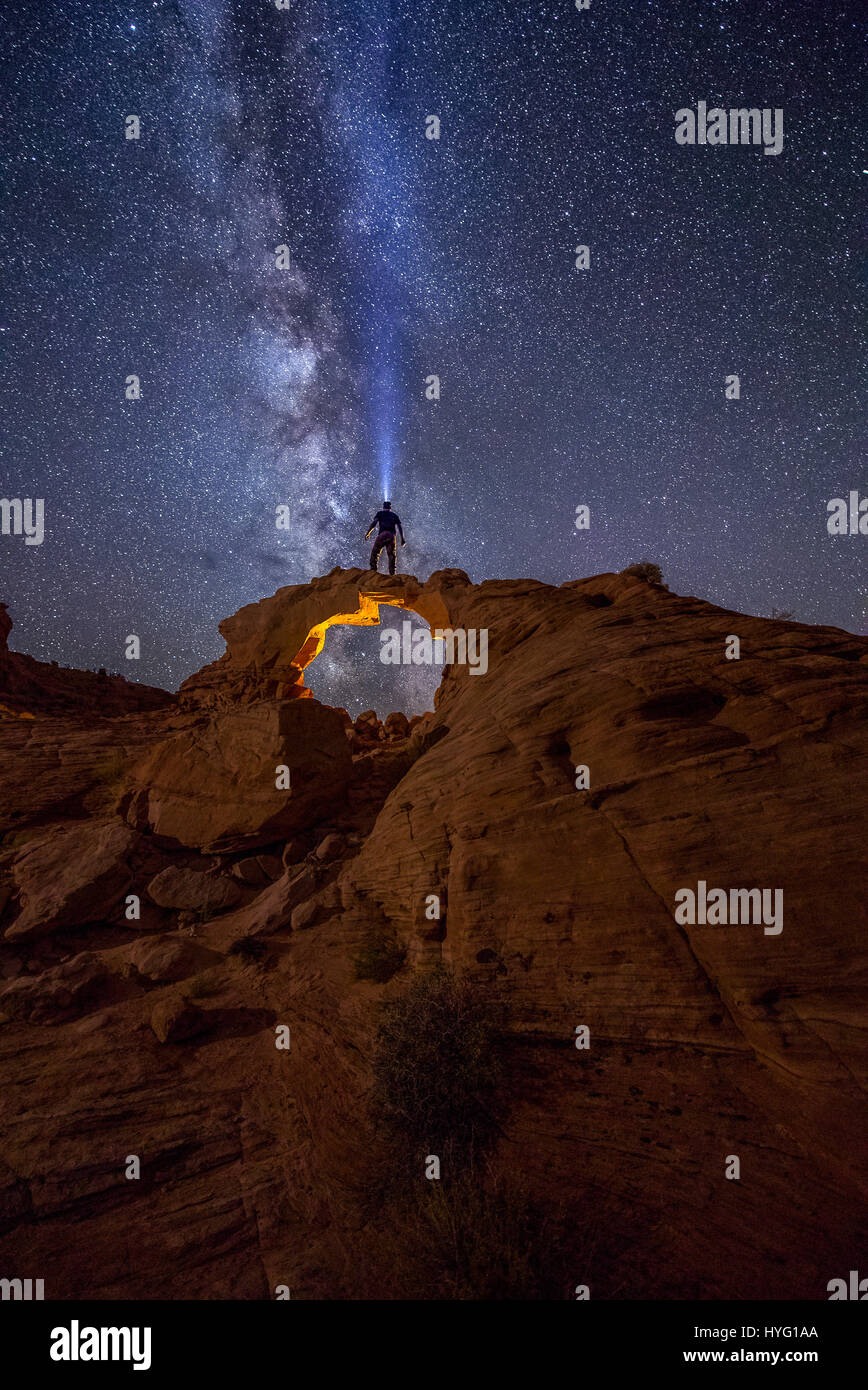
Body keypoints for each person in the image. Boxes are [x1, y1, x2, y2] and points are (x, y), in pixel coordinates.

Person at [365, 500, 406, 575]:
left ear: (383, 507)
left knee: (375, 553)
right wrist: (402, 539)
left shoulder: (380, 513)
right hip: (391, 535)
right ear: (390, 508)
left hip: (382, 535)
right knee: (391, 555)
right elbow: (400, 527)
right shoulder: (394, 515)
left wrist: (368, 533)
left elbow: (374, 523)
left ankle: (373, 571)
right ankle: (392, 573)